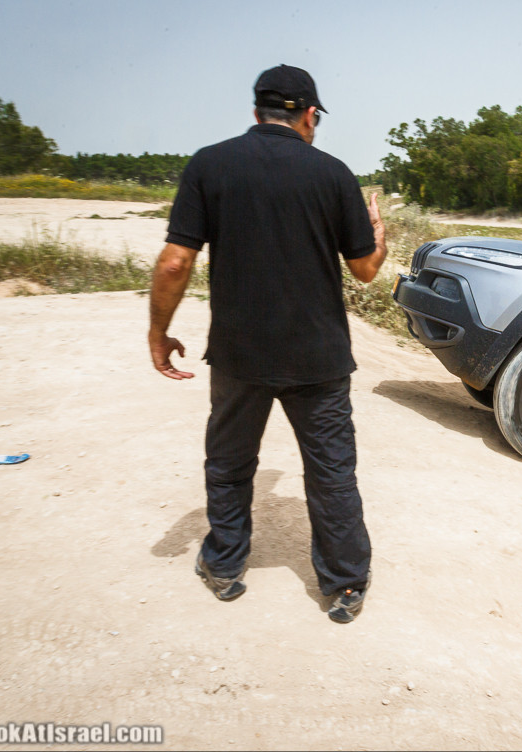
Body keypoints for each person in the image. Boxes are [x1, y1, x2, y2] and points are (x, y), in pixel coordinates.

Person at [147, 64, 387, 624]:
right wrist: (378, 238)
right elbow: (366, 271)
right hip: (319, 358)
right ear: (308, 114)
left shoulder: (211, 164)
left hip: (239, 355)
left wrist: (158, 334)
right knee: (330, 473)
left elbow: (176, 260)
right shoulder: (333, 174)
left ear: (257, 113)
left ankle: (225, 567)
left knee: (230, 465)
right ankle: (345, 585)